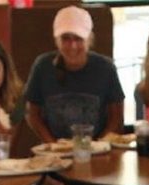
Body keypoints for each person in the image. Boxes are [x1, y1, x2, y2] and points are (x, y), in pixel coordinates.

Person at [25, 5, 124, 142]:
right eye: (66, 38)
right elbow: (32, 114)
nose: (72, 46)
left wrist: (98, 144)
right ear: (56, 40)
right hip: (54, 151)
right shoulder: (42, 66)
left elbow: (117, 117)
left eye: (78, 39)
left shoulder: (106, 68)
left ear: (89, 40)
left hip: (98, 151)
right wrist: (52, 145)